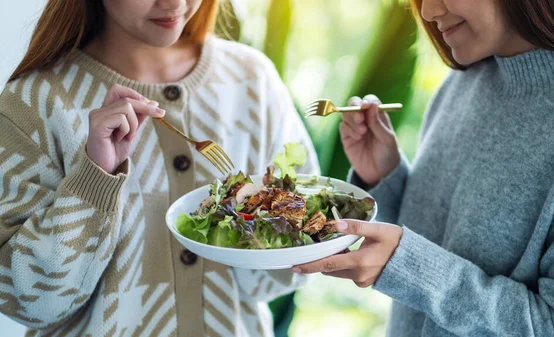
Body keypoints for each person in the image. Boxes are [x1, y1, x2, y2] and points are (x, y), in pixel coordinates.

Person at [0, 0, 319, 336]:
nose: (174, 3)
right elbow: (28, 304)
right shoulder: (35, 102)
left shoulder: (252, 79)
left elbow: (282, 274)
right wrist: (93, 179)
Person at [293, 0, 554, 336]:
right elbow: (435, 244)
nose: (427, 12)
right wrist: (385, 176)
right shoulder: (458, 86)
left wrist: (412, 269)